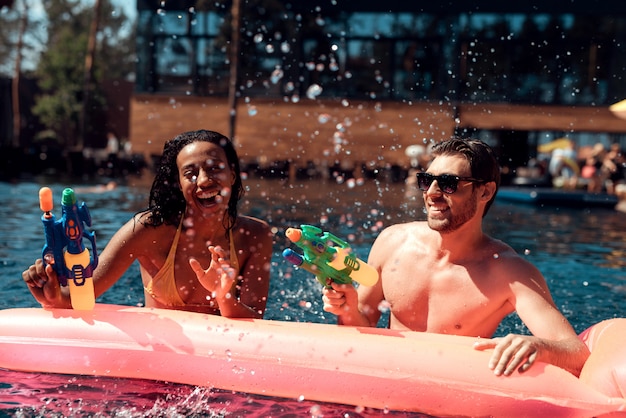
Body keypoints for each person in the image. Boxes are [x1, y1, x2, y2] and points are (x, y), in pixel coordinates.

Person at [322, 137, 590, 377]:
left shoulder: (510, 274)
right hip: (388, 383)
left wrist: (538, 345)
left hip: (451, 392)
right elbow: (363, 324)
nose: (431, 193)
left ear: (485, 192)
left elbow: (576, 354)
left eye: (449, 184)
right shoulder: (392, 243)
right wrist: (347, 307)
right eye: (426, 181)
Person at [23, 130, 273, 318]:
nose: (204, 181)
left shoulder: (255, 235)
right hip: (158, 364)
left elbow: (256, 321)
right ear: (178, 183)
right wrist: (51, 295)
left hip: (221, 364)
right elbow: (79, 297)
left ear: (232, 173)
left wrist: (224, 296)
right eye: (190, 173)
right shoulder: (148, 230)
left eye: (215, 168)